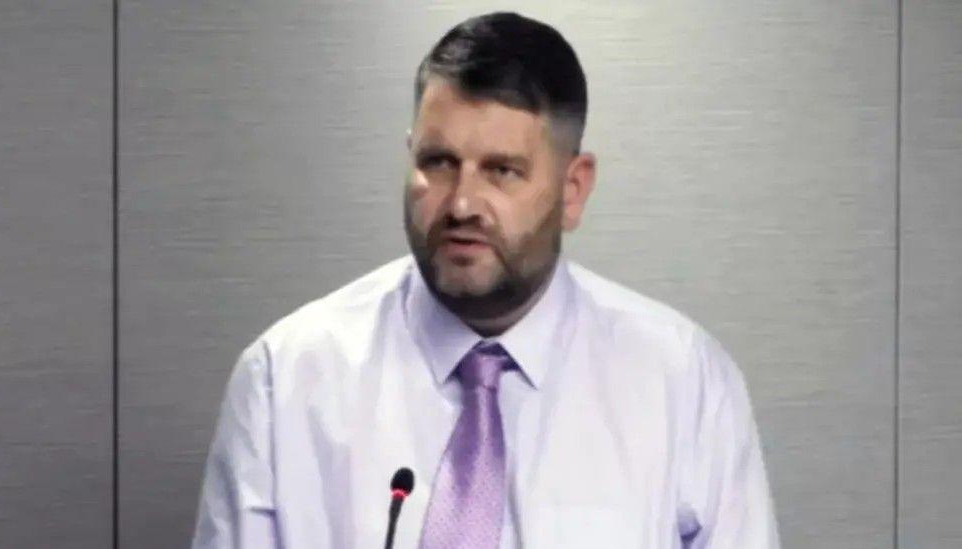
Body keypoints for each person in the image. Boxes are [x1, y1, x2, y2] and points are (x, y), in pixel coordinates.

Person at [191, 11, 781, 549]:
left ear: (573, 190)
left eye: (502, 171)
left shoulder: (684, 385)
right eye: (438, 163)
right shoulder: (284, 382)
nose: (462, 204)